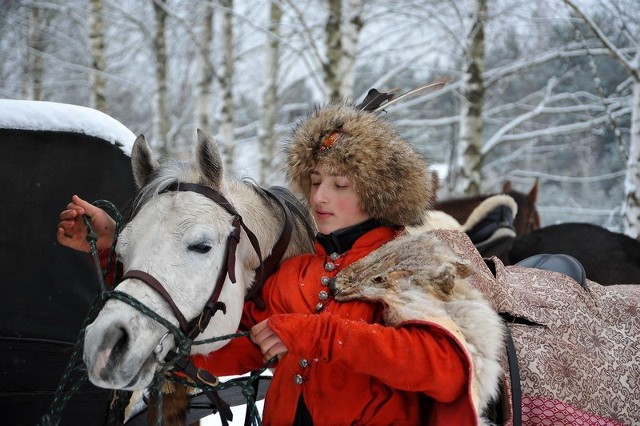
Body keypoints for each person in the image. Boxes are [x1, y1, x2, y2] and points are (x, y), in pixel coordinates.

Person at [58, 103, 503, 425]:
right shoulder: (298, 274)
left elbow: (445, 369)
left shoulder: (413, 265)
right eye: (314, 181)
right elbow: (236, 342)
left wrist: (320, 334)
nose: (320, 197)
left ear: (376, 193)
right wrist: (124, 270)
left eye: (339, 184)